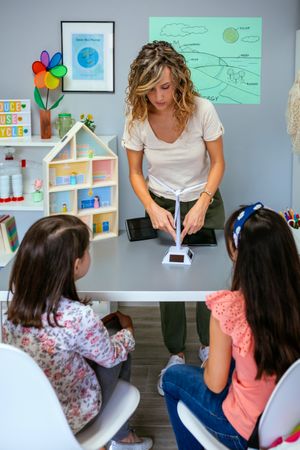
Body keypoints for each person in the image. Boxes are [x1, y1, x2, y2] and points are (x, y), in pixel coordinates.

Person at [122, 40, 226, 395]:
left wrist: (202, 203)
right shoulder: (137, 118)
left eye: (165, 86)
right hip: (162, 203)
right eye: (149, 88)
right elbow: (135, 173)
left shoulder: (203, 110)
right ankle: (176, 354)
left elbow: (219, 163)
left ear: (179, 80)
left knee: (208, 282)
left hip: (204, 201)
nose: (158, 96)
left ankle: (210, 348)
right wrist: (151, 207)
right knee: (169, 280)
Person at [2, 215, 152, 450]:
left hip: (25, 416)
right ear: (76, 265)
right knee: (120, 346)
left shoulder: (13, 308)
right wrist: (129, 331)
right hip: (69, 418)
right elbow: (111, 356)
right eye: (87, 250)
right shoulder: (79, 317)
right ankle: (122, 438)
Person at [162, 203, 300, 450]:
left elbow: (214, 384)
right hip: (290, 421)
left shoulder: (231, 310)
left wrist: (209, 364)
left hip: (245, 432)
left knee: (172, 378)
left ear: (237, 254)